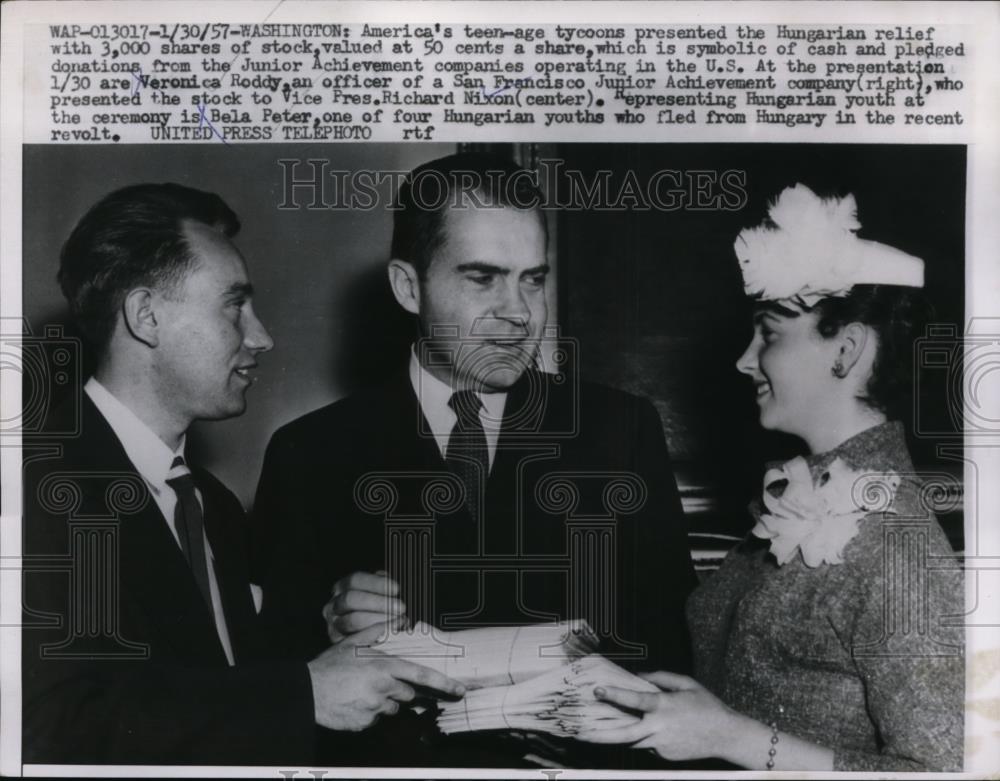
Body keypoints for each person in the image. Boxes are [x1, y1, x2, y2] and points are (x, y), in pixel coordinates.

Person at [251, 153, 697, 766]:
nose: (517, 313)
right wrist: (327, 626)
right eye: (483, 278)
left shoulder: (620, 430)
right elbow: (276, 682)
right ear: (409, 286)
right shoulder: (310, 452)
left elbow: (670, 651)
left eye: (532, 279)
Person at [22, 183, 464, 765]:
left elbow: (217, 685)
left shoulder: (212, 506)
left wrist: (331, 626)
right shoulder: (33, 491)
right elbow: (51, 727)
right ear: (146, 316)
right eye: (235, 305)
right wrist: (304, 694)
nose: (262, 336)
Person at [578, 183, 964, 771]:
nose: (743, 358)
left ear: (846, 351)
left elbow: (943, 771)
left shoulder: (898, 545)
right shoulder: (795, 497)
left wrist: (731, 739)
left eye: (771, 332)